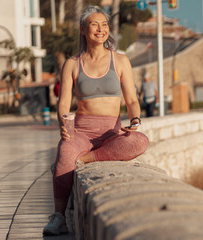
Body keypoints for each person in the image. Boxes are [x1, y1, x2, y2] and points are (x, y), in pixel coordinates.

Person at [44, 6, 149, 236]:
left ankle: (81, 160)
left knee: (140, 141)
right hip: (81, 130)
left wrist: (135, 120)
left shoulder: (120, 61)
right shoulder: (72, 64)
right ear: (83, 29)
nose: (100, 29)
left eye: (104, 24)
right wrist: (64, 125)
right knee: (65, 150)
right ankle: (59, 216)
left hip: (111, 132)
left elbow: (131, 99)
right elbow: (64, 103)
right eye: (94, 24)